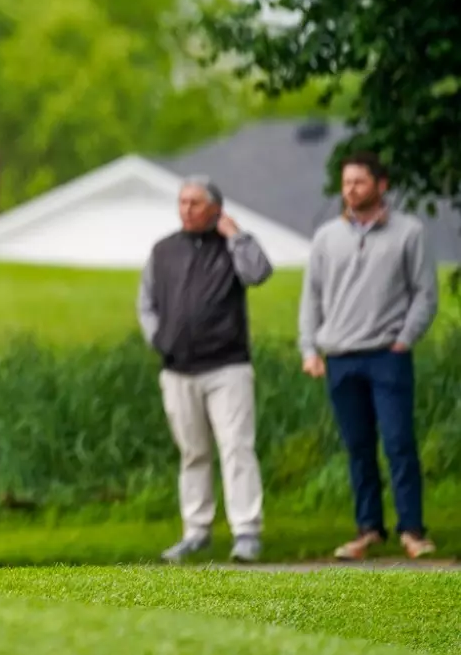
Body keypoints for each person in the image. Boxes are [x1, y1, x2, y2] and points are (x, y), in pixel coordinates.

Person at [300, 150, 441, 560]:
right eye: (346, 183)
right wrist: (310, 348)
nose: (350, 190)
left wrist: (404, 338)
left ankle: (412, 531)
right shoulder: (327, 237)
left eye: (359, 182)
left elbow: (424, 294)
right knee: (358, 447)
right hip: (341, 356)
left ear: (381, 185)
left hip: (387, 355)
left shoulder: (409, 233)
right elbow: (312, 297)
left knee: (398, 443)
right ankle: (368, 530)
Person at [138, 177, 274, 563]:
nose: (187, 209)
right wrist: (159, 339)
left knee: (236, 448)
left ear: (215, 209)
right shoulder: (163, 251)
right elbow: (146, 302)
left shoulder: (231, 246)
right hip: (178, 370)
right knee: (193, 453)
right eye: (182, 202)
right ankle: (196, 531)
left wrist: (235, 234)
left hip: (226, 367)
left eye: (195, 203)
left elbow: (258, 273)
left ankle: (246, 531)